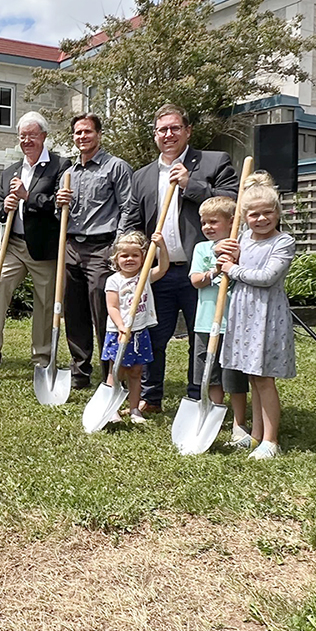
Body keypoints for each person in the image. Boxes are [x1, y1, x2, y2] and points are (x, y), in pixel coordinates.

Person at [122, 104, 239, 413]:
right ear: (155, 135)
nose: (168, 134)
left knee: (199, 339)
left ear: (188, 131)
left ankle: (196, 395)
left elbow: (232, 203)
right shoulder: (142, 175)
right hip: (159, 271)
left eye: (175, 128)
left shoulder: (214, 162)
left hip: (201, 271)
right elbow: (134, 221)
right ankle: (152, 397)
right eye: (162, 130)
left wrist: (192, 185)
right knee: (154, 337)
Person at [0, 112, 71, 368]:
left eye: (32, 135)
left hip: (44, 247)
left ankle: (42, 357)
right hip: (15, 245)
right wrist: (5, 205)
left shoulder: (60, 166)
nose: (27, 140)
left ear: (43, 136)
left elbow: (59, 204)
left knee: (45, 302)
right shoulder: (10, 170)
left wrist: (27, 196)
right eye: (22, 136)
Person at [217, 172, 296, 460]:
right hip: (243, 311)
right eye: (254, 214)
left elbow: (266, 276)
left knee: (264, 378)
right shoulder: (242, 238)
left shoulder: (283, 242)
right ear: (245, 216)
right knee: (251, 375)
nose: (261, 219)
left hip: (266, 314)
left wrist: (231, 270)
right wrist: (220, 253)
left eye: (267, 213)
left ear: (277, 213)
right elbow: (222, 261)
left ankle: (271, 441)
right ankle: (257, 436)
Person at [55, 112, 133, 389]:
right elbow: (60, 215)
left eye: (87, 132)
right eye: (78, 133)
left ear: (98, 134)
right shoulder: (68, 173)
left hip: (103, 246)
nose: (82, 137)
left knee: (103, 310)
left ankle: (110, 372)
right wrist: (58, 203)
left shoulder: (116, 167)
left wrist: (119, 244)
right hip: (72, 245)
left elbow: (128, 206)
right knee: (74, 312)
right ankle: (80, 370)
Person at [189, 196, 250, 445]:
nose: (207, 227)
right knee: (210, 373)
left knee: (233, 375)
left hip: (233, 323)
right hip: (206, 322)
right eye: (204, 222)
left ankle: (239, 422)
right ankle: (215, 412)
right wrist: (214, 269)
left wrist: (234, 261)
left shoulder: (242, 247)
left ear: (232, 222)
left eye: (214, 221)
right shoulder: (201, 248)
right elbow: (195, 281)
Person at [101, 231, 169, 424]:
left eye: (135, 255)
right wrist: (122, 327)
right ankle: (111, 409)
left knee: (136, 371)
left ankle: (134, 409)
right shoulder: (114, 280)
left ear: (143, 258)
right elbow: (112, 306)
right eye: (124, 256)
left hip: (139, 331)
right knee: (116, 372)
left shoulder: (145, 276)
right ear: (116, 259)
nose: (129, 259)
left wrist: (161, 246)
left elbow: (163, 268)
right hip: (119, 332)